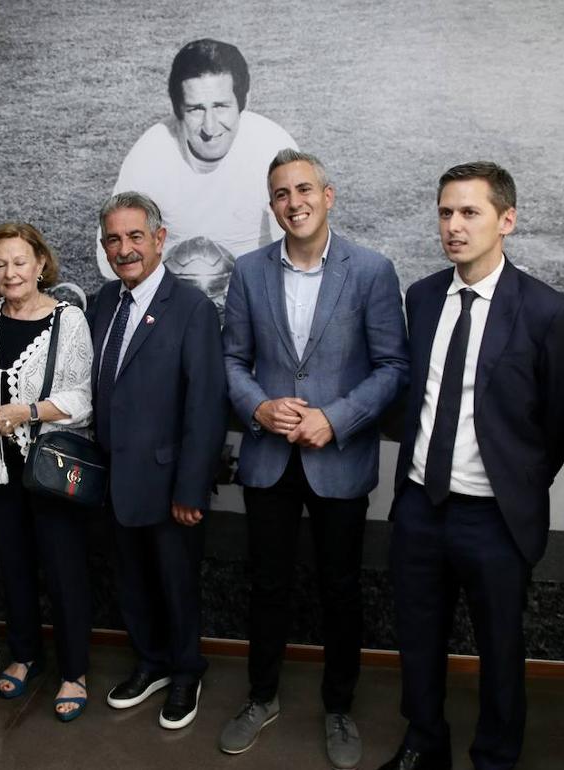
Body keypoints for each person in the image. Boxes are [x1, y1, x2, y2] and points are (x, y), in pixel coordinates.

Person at [376, 162, 564, 770]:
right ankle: (424, 742)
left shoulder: (548, 313)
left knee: (500, 646)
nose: (454, 226)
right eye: (445, 212)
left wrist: (517, 484)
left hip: (495, 517)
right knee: (417, 636)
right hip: (419, 504)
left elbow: (560, 419)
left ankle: (494, 756)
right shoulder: (422, 296)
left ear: (506, 220)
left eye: (470, 212)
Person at [220, 149, 408, 768]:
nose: (293, 202)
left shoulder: (372, 271)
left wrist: (337, 418)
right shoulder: (247, 272)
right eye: (280, 193)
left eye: (304, 189)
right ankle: (261, 696)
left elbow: (392, 368)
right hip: (269, 459)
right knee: (267, 584)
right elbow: (233, 362)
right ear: (272, 205)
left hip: (340, 459)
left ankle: (339, 707)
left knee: (340, 589)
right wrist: (258, 408)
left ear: (329, 196)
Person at [90, 192, 226, 730]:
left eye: (135, 237)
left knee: (176, 583)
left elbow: (206, 405)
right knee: (131, 581)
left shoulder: (190, 307)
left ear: (159, 239)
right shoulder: (101, 302)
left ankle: (186, 671)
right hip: (114, 479)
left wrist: (191, 489)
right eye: (114, 240)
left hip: (170, 483)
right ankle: (151, 663)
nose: (125, 249)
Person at [0, 223, 94, 721]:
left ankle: (74, 670)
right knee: (12, 565)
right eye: (0, 264)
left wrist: (26, 412)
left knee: (63, 570)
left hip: (50, 469)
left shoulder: (69, 320)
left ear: (40, 264)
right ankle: (25, 654)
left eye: (19, 262)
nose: (10, 272)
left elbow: (82, 397)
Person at [96, 38, 298, 292]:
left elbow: (303, 246)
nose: (210, 128)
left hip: (255, 292)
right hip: (174, 299)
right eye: (195, 109)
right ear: (177, 108)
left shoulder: (274, 149)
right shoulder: (150, 155)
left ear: (244, 100)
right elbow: (113, 255)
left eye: (221, 106)